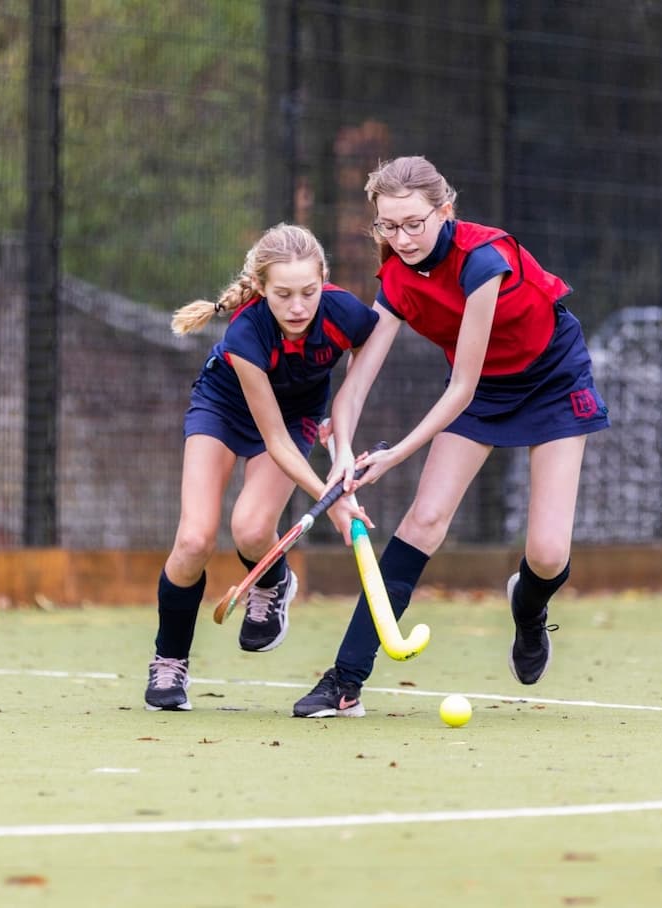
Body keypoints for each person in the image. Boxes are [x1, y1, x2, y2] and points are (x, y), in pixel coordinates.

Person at [293, 156, 609, 718]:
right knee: (423, 521)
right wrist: (342, 451)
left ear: (445, 211)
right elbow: (354, 386)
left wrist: (392, 456)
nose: (403, 237)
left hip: (551, 378)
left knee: (547, 551)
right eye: (388, 226)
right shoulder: (394, 276)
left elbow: (460, 387)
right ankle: (345, 680)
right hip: (486, 389)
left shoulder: (482, 261)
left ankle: (529, 610)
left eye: (415, 223)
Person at [144, 223, 380, 711]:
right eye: (283, 295)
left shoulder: (345, 313)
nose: (298, 307)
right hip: (225, 408)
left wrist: (341, 415)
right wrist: (331, 500)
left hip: (297, 414)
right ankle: (169, 663)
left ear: (325, 282)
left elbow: (364, 358)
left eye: (309, 293)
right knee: (193, 540)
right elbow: (273, 441)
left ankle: (271, 582)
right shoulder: (246, 332)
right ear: (261, 290)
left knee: (252, 530)